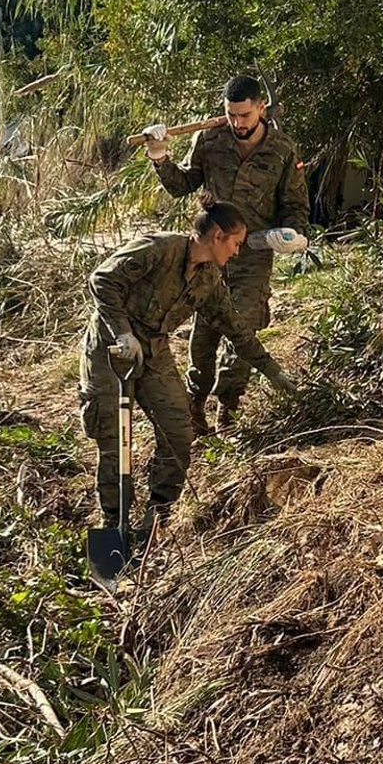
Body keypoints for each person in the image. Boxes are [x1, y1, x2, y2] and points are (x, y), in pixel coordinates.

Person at [79, 201, 293, 539]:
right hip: (110, 346)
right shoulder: (159, 249)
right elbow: (102, 279)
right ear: (218, 236)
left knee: (178, 429)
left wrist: (272, 371)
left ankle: (157, 514)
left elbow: (234, 328)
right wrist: (122, 330)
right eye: (236, 244)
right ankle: (113, 526)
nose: (237, 253)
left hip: (154, 350)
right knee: (112, 437)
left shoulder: (208, 279)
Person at [145, 73, 309, 431]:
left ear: (261, 109)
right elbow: (182, 185)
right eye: (231, 115)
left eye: (245, 116)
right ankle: (194, 406)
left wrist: (294, 235)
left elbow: (295, 204)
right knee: (204, 333)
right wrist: (160, 157)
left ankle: (228, 410)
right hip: (210, 252)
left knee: (243, 328)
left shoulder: (282, 149)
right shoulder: (210, 139)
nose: (237, 123)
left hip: (253, 253)